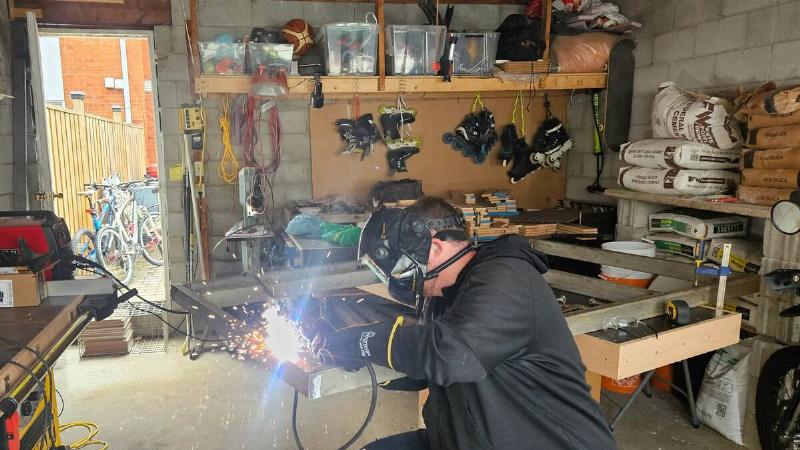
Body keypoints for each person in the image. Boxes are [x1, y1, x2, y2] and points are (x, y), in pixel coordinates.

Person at [314, 196, 617, 450]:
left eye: (403, 266)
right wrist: (363, 361)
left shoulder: (506, 277)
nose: (401, 278)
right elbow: (429, 366)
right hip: (465, 439)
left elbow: (450, 355)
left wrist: (364, 341)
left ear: (435, 248)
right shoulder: (443, 295)